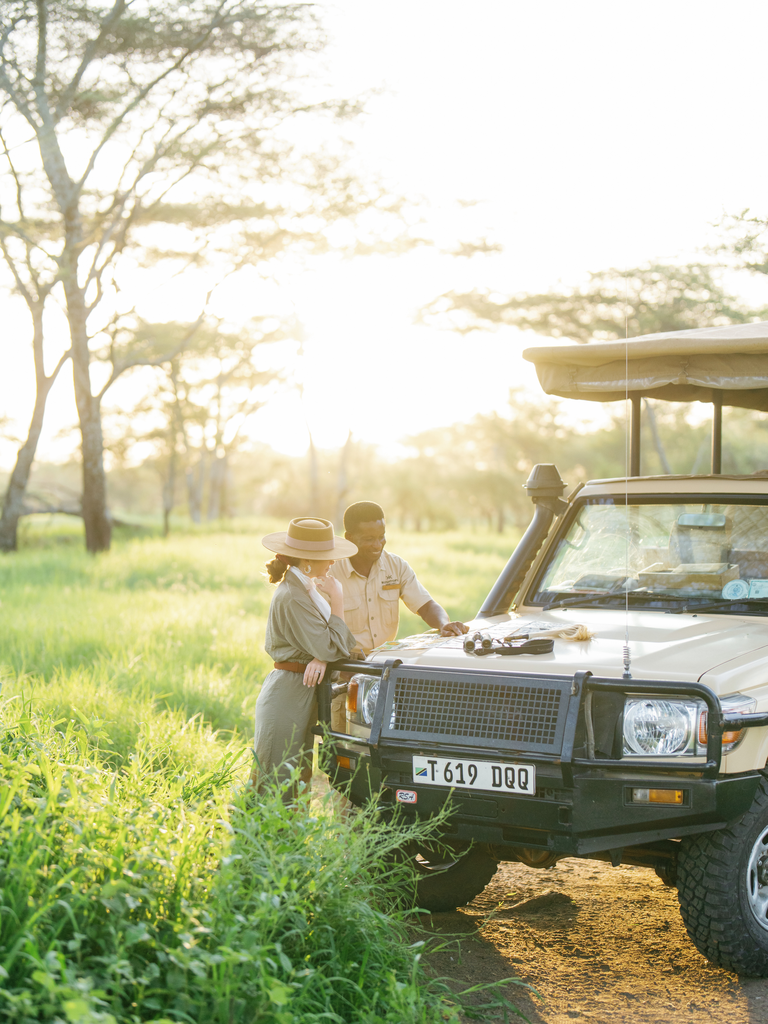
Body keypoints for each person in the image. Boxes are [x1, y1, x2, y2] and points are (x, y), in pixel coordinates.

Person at [328, 500, 469, 729]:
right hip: (346, 675)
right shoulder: (331, 573)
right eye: (369, 539)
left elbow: (426, 605)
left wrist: (444, 624)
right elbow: (319, 632)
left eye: (381, 536)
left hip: (385, 673)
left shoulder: (396, 566)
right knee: (346, 744)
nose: (378, 544)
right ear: (349, 538)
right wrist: (342, 671)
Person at [252, 516, 358, 799]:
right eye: (327, 556)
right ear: (308, 561)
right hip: (289, 692)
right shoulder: (294, 595)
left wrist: (321, 657)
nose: (332, 562)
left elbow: (333, 646)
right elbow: (331, 647)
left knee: (297, 779)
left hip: (303, 689)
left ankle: (291, 830)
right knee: (277, 780)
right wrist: (338, 599)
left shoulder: (306, 589)